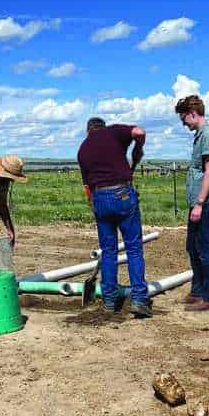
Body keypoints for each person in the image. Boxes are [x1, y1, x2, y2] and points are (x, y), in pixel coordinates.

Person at [77, 117, 152, 317]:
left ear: (88, 131)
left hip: (99, 198)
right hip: (122, 193)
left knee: (108, 251)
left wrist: (94, 205)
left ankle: (109, 301)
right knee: (134, 248)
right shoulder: (114, 131)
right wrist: (138, 148)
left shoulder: (83, 150)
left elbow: (87, 188)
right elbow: (140, 132)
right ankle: (139, 299)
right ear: (102, 127)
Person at [175, 94, 209, 311]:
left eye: (184, 118)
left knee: (203, 248)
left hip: (204, 202)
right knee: (192, 247)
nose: (183, 123)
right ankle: (198, 291)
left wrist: (200, 203)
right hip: (197, 202)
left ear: (192, 113)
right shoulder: (201, 136)